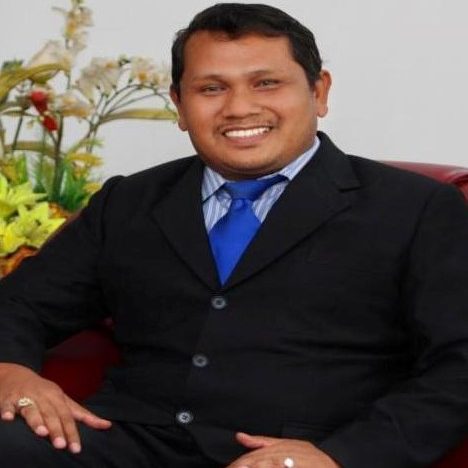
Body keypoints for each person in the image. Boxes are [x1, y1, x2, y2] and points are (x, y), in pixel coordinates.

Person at [0, 3, 467, 467]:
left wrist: (341, 457)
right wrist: (11, 370)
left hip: (295, 453)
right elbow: (20, 304)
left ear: (319, 91)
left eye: (266, 83)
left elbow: (459, 364)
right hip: (125, 442)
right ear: (179, 105)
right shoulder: (129, 201)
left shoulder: (417, 208)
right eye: (211, 88)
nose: (239, 108)